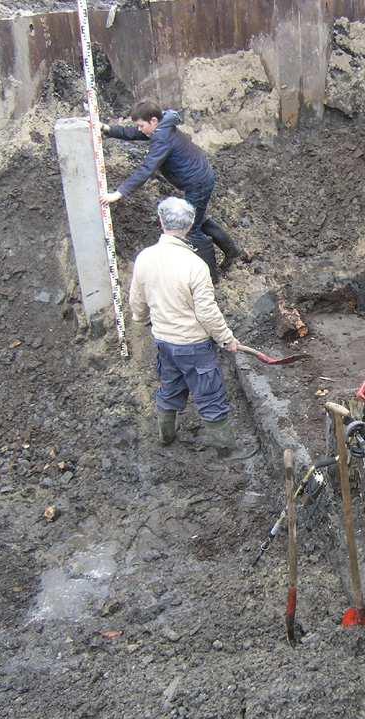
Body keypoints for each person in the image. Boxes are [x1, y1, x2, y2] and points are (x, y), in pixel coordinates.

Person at [129, 196, 255, 459]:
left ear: (161, 221)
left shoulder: (145, 258)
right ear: (188, 227)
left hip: (164, 341)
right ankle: (224, 449)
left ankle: (166, 435)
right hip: (194, 345)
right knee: (209, 393)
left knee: (171, 386)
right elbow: (207, 312)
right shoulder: (195, 265)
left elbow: (137, 301)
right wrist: (226, 339)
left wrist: (141, 320)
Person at [101, 100, 241, 283]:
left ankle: (211, 278)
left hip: (197, 183)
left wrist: (119, 193)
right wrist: (108, 129)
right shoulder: (163, 124)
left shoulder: (162, 137)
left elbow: (147, 168)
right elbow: (133, 133)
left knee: (191, 230)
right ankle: (232, 252)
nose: (139, 129)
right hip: (200, 177)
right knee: (199, 219)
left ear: (152, 121)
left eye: (141, 125)